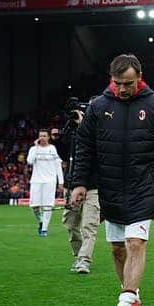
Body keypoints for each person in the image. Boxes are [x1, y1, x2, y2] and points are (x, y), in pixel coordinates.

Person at [70, 54, 154, 306]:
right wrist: (79, 183)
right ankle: (133, 296)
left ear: (139, 78)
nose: (122, 88)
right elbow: (85, 149)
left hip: (144, 186)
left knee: (135, 242)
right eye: (118, 83)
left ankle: (126, 300)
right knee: (117, 248)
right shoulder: (98, 108)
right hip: (110, 187)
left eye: (128, 83)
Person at [56, 111, 100, 273]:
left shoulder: (100, 131)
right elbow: (62, 152)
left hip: (94, 186)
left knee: (89, 224)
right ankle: (79, 254)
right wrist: (67, 127)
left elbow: (93, 146)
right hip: (72, 184)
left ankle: (84, 260)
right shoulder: (73, 133)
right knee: (70, 223)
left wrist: (83, 126)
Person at [26, 129, 63, 237]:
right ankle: (41, 221)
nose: (42, 138)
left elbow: (58, 165)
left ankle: (44, 229)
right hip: (36, 180)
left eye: (44, 136)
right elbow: (30, 161)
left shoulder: (52, 149)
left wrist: (61, 182)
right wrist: (36, 147)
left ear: (48, 137)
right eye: (40, 136)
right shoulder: (33, 149)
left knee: (48, 205)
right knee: (34, 206)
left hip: (50, 181)